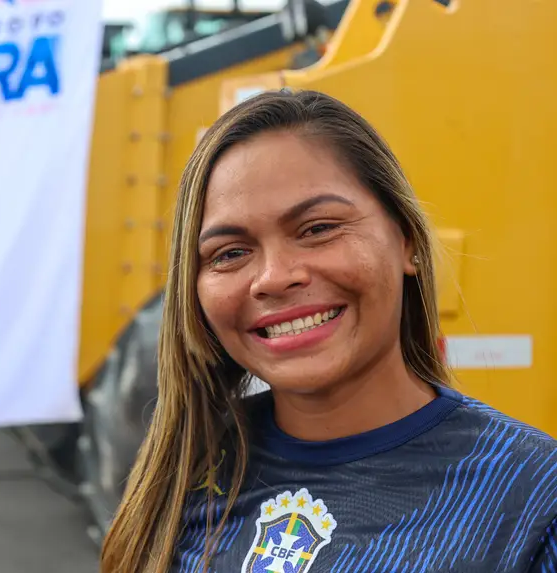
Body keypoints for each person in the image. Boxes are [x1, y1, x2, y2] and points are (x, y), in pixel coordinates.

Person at [99, 89, 557, 573]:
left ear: (406, 240)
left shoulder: (532, 500)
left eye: (317, 228)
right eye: (229, 253)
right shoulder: (182, 476)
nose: (274, 277)